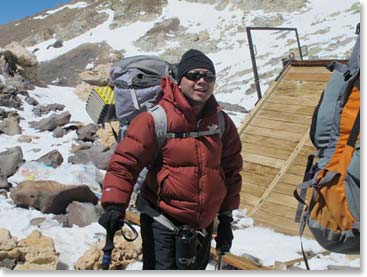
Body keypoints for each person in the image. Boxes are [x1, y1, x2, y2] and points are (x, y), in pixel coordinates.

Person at [98, 49, 243, 270]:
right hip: (161, 221)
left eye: (208, 76)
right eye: (194, 75)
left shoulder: (221, 123)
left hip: (202, 226)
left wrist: (225, 218)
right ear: (179, 79)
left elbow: (231, 171)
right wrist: (115, 205)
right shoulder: (155, 120)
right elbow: (125, 164)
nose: (202, 81)